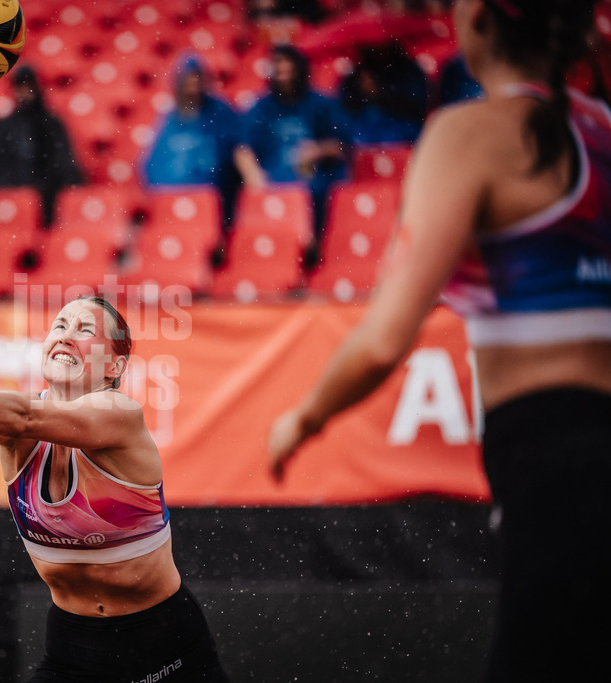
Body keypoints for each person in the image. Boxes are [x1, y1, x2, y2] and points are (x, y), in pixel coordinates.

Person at [267, 2, 609, 681]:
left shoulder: (469, 133)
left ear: (478, 21)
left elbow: (382, 339)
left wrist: (301, 418)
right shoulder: (602, 128)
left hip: (555, 454)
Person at [0, 296, 229, 682]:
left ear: (115, 365)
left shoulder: (120, 416)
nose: (66, 336)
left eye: (85, 331)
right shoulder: (13, 429)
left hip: (161, 643)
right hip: (72, 645)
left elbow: (22, 415)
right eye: (60, 326)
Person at [233, 44, 348, 245]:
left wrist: (317, 151)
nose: (284, 77)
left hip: (312, 184)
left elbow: (341, 147)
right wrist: (253, 175)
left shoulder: (321, 104)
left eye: (289, 71)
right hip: (273, 182)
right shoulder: (261, 107)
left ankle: (312, 249)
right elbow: (243, 148)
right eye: (280, 71)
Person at [0, 65, 84, 226]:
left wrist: (44, 191)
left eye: (28, 87)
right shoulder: (4, 126)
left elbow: (64, 163)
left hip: (47, 203)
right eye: (20, 88)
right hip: (12, 205)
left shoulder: (51, 124)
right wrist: (15, 194)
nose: (24, 93)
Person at [141, 53, 243, 229]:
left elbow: (234, 153)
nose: (192, 85)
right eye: (187, 79)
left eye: (197, 79)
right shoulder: (170, 116)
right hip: (171, 202)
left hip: (212, 202)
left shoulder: (220, 110)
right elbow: (151, 164)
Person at [337, 40, 430, 145]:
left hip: (403, 134)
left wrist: (380, 93)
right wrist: (359, 89)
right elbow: (345, 110)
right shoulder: (356, 75)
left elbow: (416, 106)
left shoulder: (409, 71)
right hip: (364, 136)